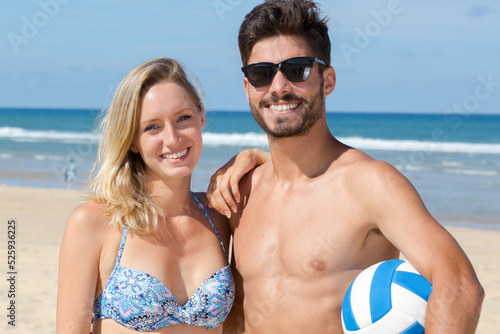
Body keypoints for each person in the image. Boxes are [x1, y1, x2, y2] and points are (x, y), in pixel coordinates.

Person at [207, 0, 485, 333]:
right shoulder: (241, 190)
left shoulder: (371, 184)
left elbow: (458, 285)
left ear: (328, 80)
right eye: (262, 74)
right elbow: (239, 308)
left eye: (297, 69)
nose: (279, 88)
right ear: (247, 88)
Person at [56, 58, 267, 334]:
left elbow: (293, 182)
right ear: (132, 139)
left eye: (183, 118)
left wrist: (253, 155)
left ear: (201, 116)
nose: (172, 138)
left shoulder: (220, 215)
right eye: (152, 127)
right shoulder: (95, 222)